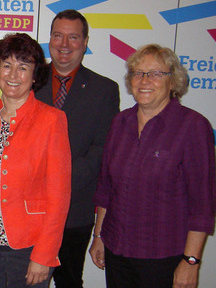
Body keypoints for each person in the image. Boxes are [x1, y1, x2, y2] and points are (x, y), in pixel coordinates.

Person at [89, 44, 216, 288]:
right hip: (117, 251)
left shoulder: (193, 126)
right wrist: (99, 236)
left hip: (163, 258)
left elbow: (202, 205)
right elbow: (106, 189)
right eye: (138, 73)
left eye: (156, 73)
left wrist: (190, 261)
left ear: (173, 81)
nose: (145, 80)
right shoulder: (120, 122)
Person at [0, 33, 72, 288]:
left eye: (23, 67)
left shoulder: (52, 120)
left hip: (27, 247)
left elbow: (59, 196)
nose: (13, 75)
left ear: (35, 75)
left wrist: (45, 254)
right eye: (7, 65)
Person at [34, 9, 120, 288]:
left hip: (75, 208)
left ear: (85, 42)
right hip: (29, 207)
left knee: (69, 281)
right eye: (58, 36)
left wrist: (59, 178)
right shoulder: (28, 81)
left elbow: (102, 149)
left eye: (73, 37)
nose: (64, 44)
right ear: (49, 40)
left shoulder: (104, 89)